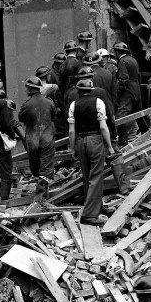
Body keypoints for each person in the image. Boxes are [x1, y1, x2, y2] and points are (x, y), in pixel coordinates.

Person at [68, 79, 114, 225]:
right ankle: (89, 215)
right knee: (96, 177)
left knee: (87, 176)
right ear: (91, 89)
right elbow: (103, 127)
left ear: (78, 91)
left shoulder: (73, 105)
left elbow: (71, 131)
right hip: (95, 140)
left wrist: (73, 148)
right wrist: (110, 145)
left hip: (80, 141)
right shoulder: (98, 102)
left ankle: (97, 207)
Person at [19, 77, 57, 200]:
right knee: (46, 168)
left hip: (32, 140)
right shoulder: (49, 102)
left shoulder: (26, 104)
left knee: (35, 168)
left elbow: (21, 118)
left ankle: (41, 197)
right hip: (47, 138)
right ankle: (41, 198)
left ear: (29, 89)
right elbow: (53, 116)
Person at [113, 42, 142, 146]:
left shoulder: (122, 61)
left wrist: (118, 93)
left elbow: (123, 78)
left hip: (128, 90)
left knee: (121, 115)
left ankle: (123, 140)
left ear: (116, 52)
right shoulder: (132, 59)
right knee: (138, 113)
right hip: (136, 89)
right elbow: (138, 76)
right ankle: (147, 133)